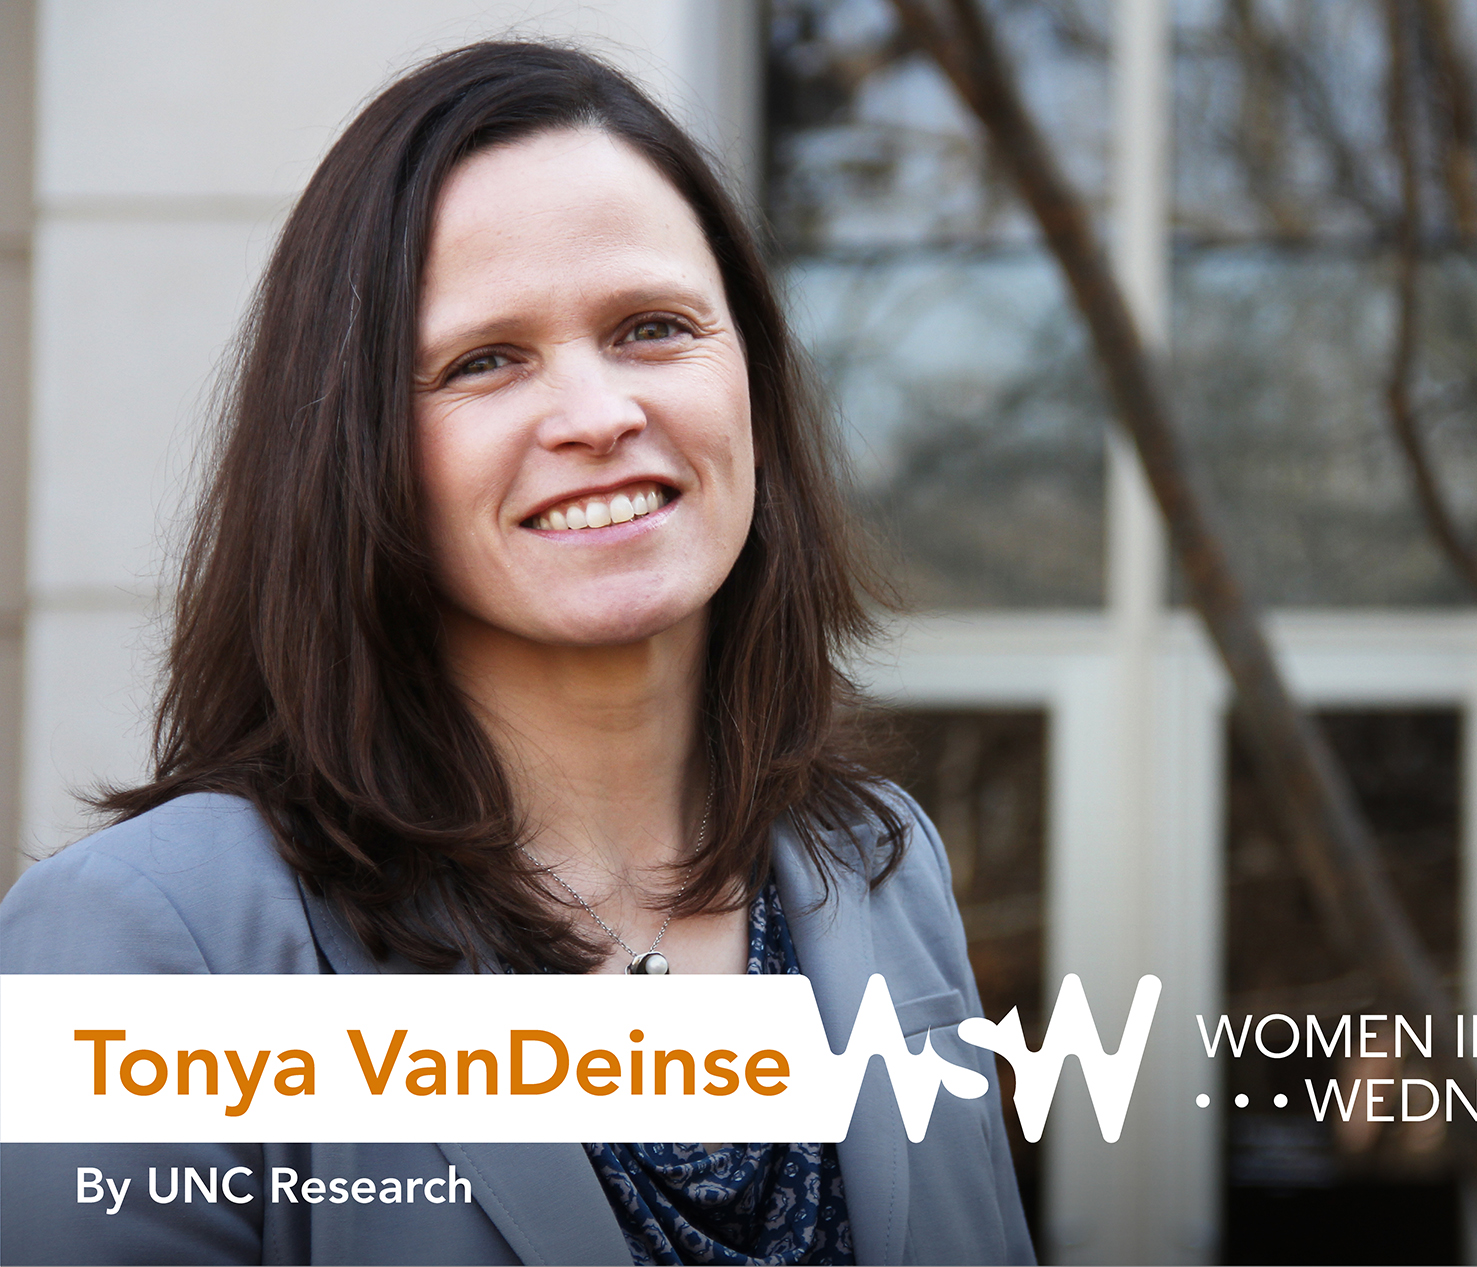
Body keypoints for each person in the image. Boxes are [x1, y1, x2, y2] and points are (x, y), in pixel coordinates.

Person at [0, 41, 1033, 1267]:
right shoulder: (156, 940)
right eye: (485, 360)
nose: (598, 416)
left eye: (652, 327)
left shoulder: (880, 868)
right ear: (353, 444)